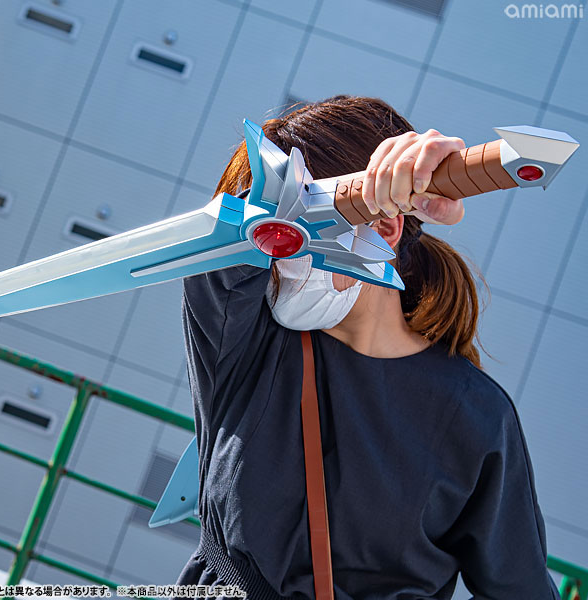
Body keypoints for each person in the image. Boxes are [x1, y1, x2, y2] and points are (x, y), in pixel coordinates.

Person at [173, 95, 559, 599]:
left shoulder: (476, 414)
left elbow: (520, 590)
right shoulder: (244, 345)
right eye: (270, 240)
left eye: (294, 235)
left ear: (384, 227)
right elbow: (218, 249)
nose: (276, 259)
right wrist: (390, 180)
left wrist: (423, 179)